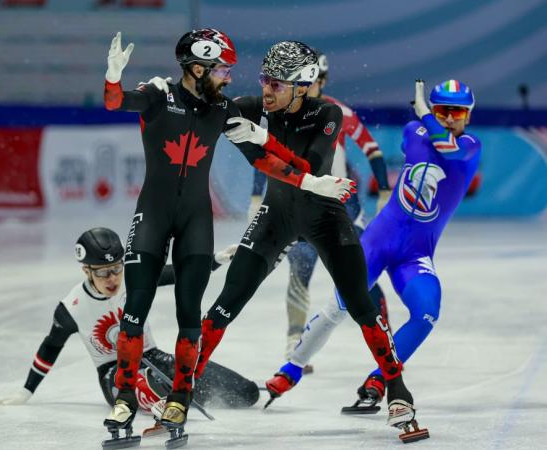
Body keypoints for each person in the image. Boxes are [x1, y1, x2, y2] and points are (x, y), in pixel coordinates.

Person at [101, 30, 347, 442]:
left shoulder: (223, 110)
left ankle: (179, 397)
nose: (230, 77)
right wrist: (112, 80)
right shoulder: (160, 94)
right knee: (135, 310)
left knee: (189, 316)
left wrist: (310, 183)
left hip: (197, 221)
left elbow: (262, 158)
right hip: (153, 216)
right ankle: (124, 397)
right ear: (197, 68)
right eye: (222, 69)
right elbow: (116, 103)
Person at [192, 40, 424, 439]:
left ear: (302, 85)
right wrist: (192, 81)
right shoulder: (257, 106)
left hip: (326, 216)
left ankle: (398, 392)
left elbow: (310, 167)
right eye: (265, 79)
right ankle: (183, 387)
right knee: (227, 301)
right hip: (275, 216)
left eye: (277, 83)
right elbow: (207, 109)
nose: (267, 89)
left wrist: (261, 139)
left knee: (361, 304)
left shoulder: (329, 113)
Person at [266, 79, 479, 439]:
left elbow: (451, 150)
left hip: (415, 255)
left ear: (468, 116)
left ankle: (380, 380)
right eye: (443, 111)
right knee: (340, 307)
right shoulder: (415, 131)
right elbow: (437, 142)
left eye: (457, 113)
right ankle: (292, 369)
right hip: (378, 242)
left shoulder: (472, 146)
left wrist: (427, 112)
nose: (449, 120)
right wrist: (426, 117)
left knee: (427, 312)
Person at [0, 228, 259, 412]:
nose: (113, 280)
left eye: (116, 269)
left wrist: (215, 261)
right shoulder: (72, 307)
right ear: (86, 271)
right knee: (147, 380)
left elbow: (175, 274)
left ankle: (170, 394)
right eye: (103, 273)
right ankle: (163, 401)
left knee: (246, 394)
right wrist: (26, 392)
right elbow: (49, 348)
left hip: (153, 357)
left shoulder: (133, 278)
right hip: (113, 375)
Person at [249, 51, 393, 363]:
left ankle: (386, 335)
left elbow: (373, 150)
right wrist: (256, 197)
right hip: (300, 206)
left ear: (322, 81)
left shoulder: (338, 112)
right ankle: (294, 341)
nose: (306, 86)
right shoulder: (281, 114)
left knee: (361, 275)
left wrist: (383, 190)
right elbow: (265, 158)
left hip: (340, 209)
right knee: (299, 272)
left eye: (312, 81)